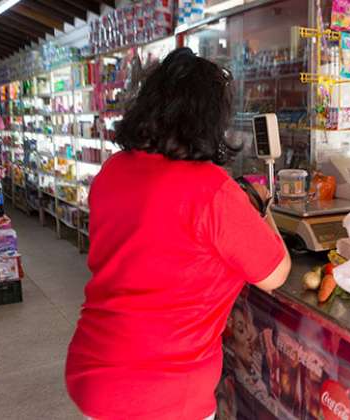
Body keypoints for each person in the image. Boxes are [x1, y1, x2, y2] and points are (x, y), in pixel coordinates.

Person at [65, 48, 291, 420]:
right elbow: (275, 274)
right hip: (165, 393)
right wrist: (262, 207)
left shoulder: (113, 171)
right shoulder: (212, 190)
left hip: (93, 371)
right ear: (210, 120)